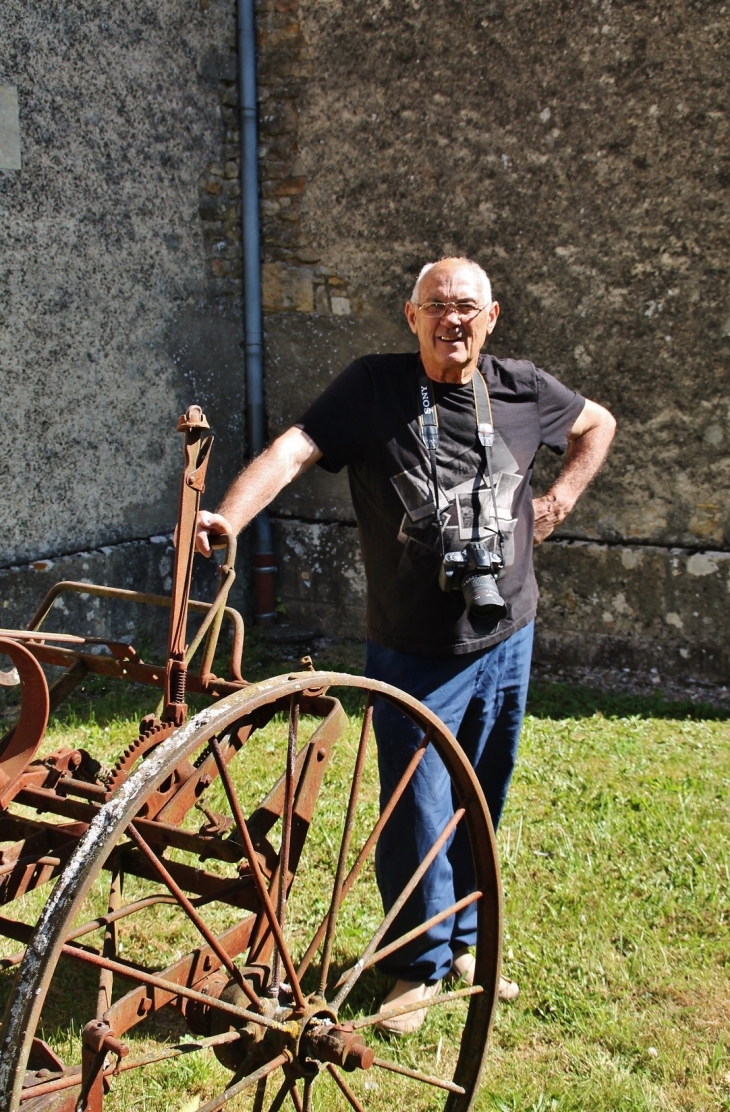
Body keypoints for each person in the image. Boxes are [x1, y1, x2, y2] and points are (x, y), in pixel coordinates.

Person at [196, 256, 616, 1035]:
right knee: (414, 807)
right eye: (436, 306)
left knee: (478, 799)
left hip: (507, 633)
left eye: (467, 308)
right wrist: (231, 515)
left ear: (491, 318)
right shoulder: (372, 387)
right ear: (410, 314)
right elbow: (294, 448)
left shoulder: (521, 385)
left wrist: (558, 499)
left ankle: (463, 943)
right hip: (415, 648)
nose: (452, 320)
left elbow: (598, 424)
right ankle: (416, 971)